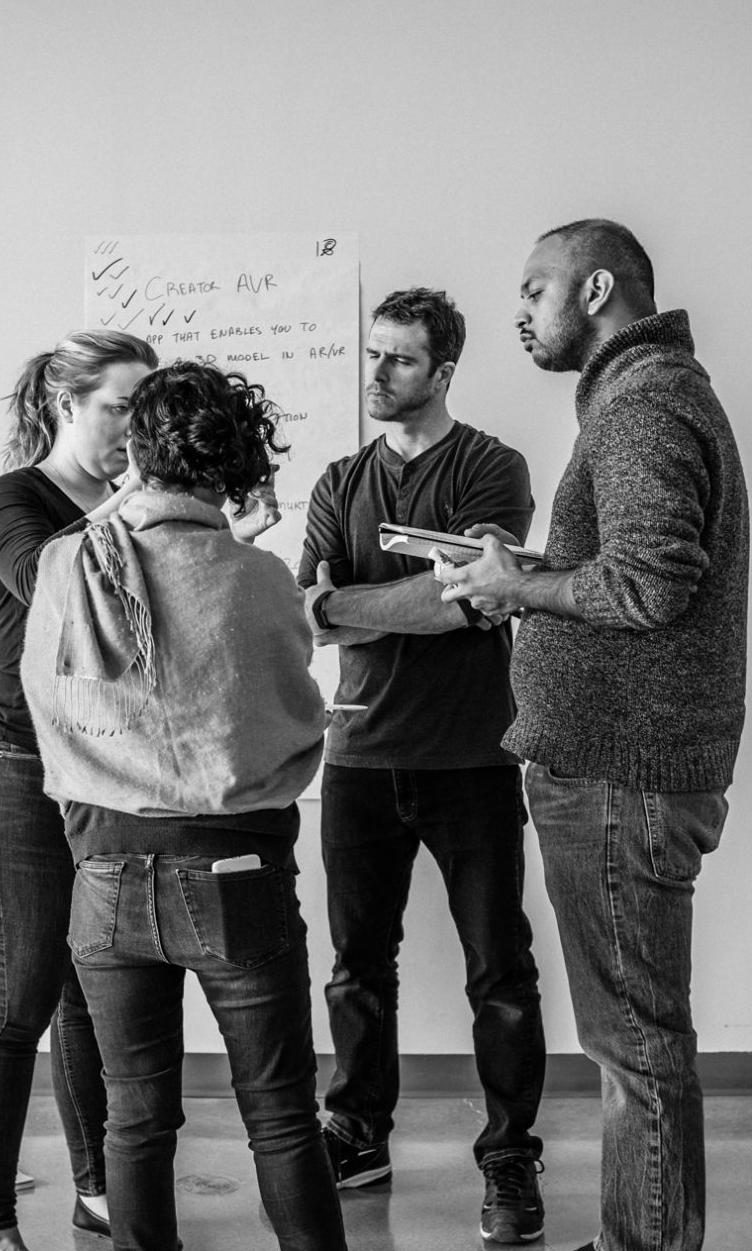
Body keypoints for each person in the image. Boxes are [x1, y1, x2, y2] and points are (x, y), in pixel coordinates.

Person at [435, 221, 750, 1251]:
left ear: (599, 288)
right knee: (634, 1041)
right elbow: (628, 569)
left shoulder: (643, 404)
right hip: (622, 773)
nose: (519, 312)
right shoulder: (644, 396)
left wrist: (517, 584)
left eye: (535, 289)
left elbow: (653, 588)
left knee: (635, 1047)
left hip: (623, 778)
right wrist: (517, 567)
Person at [21, 361, 347, 1251]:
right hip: (235, 872)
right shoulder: (258, 577)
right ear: (236, 465)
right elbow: (285, 722)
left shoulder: (65, 565)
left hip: (104, 873)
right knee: (280, 1115)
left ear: (136, 453)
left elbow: (54, 709)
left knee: (134, 1121)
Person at [298, 288, 549, 1243]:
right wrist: (377, 602)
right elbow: (301, 613)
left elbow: (469, 606)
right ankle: (357, 1133)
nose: (377, 373)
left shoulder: (493, 467)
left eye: (400, 360)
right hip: (358, 753)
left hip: (471, 755)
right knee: (358, 967)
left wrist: (348, 603)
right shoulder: (338, 480)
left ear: (443, 373)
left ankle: (509, 1156)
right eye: (373, 354)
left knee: (500, 969)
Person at [0, 328, 158, 1251]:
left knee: (91, 996)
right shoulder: (16, 499)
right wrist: (131, 503)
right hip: (18, 776)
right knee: (14, 1005)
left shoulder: (138, 507)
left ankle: (98, 1192)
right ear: (65, 404)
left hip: (105, 772)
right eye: (119, 405)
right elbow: (51, 585)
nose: (133, 426)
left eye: (145, 409)